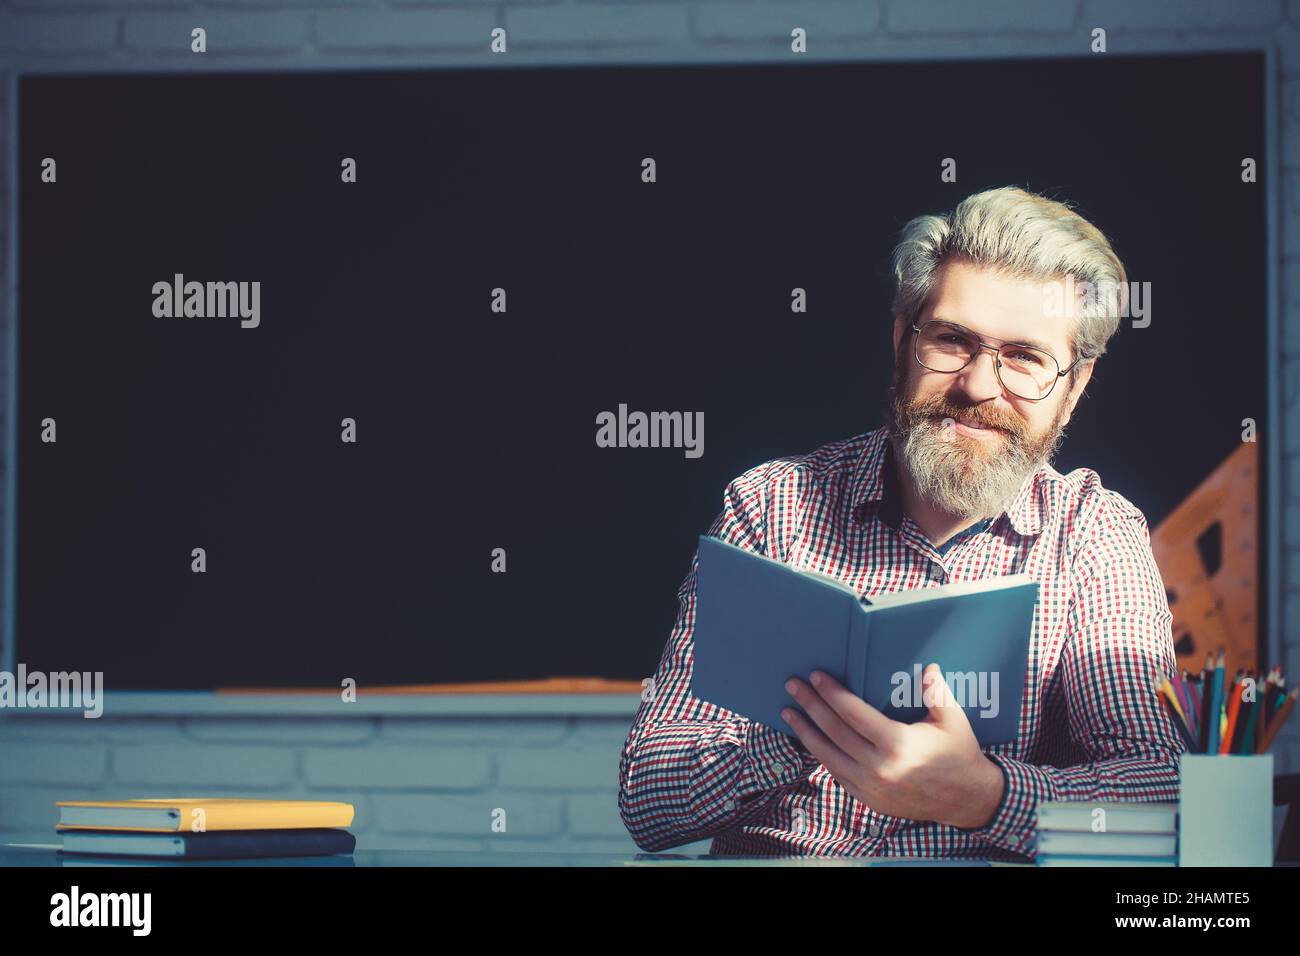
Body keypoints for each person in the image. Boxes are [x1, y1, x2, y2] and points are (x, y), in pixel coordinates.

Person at [617, 186, 1184, 859]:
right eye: (952, 340)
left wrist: (985, 796)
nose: (978, 386)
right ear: (902, 339)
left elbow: (1163, 790)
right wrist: (806, 729)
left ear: (1074, 387)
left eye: (1026, 358)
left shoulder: (1093, 532)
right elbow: (648, 798)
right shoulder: (771, 506)